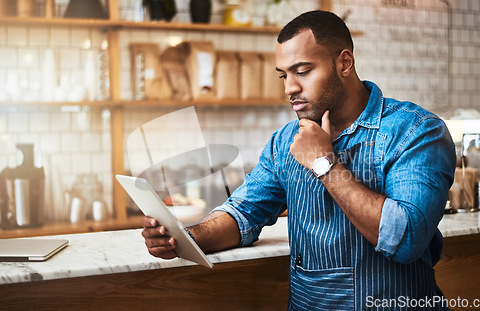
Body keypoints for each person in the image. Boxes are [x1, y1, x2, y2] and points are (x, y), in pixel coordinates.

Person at [142, 10, 456, 311]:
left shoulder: (416, 130)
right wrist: (183, 238)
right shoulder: (285, 142)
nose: (290, 88)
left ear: (344, 63)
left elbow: (406, 238)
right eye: (284, 75)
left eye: (303, 71)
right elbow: (243, 215)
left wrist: (324, 163)